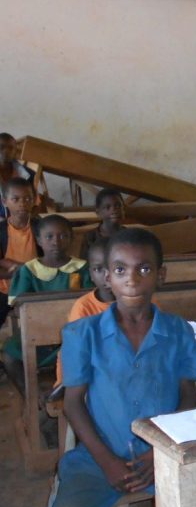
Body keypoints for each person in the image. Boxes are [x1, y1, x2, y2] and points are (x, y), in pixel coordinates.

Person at [39, 228, 196, 507]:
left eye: (145, 269)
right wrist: (108, 462)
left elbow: (187, 395)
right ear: (107, 277)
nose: (132, 279)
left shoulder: (178, 330)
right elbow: (73, 404)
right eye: (120, 269)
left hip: (163, 453)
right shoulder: (83, 334)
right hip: (99, 455)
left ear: (161, 275)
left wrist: (159, 453)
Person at [2, 215, 92, 393]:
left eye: (63, 236)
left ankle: (72, 398)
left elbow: (91, 303)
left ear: (71, 239)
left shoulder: (82, 268)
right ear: (39, 240)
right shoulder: (29, 270)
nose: (56, 242)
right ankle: (34, 400)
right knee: (9, 356)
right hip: (37, 336)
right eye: (49, 236)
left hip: (75, 337)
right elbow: (18, 306)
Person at [54, 238, 116, 386]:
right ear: (91, 274)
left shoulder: (143, 302)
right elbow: (74, 354)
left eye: (116, 268)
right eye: (98, 269)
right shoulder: (83, 307)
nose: (106, 276)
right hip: (91, 378)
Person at [0, 177, 39, 327]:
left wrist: (19, 269)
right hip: (5, 290)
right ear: (4, 201)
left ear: (34, 200)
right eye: (15, 199)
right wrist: (20, 271)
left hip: (34, 288)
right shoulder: (1, 231)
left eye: (27, 198)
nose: (22, 203)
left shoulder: (40, 228)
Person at [80, 189, 125, 257]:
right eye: (107, 207)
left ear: (123, 209)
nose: (114, 210)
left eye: (118, 206)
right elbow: (84, 263)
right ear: (98, 213)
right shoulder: (90, 237)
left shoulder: (128, 235)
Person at [0, 133, 34, 220]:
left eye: (11, 148)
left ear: (16, 151)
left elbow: (32, 200)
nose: (6, 151)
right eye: (1, 147)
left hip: (20, 220)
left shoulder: (27, 174)